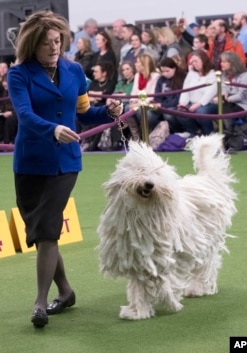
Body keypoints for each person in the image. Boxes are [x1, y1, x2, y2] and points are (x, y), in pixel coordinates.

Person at [7, 10, 123, 328]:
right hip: (29, 163)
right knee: (41, 232)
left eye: (57, 41)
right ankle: (67, 291)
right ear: (32, 45)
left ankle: (40, 304)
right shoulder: (19, 74)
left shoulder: (74, 71)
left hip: (66, 163)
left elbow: (84, 112)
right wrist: (53, 129)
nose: (54, 47)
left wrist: (109, 111)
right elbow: (25, 114)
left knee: (47, 231)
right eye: (46, 44)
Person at [177, 49, 218, 136]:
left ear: (203, 60)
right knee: (180, 113)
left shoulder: (212, 74)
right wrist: (183, 103)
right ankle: (195, 132)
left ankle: (209, 133)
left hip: (208, 104)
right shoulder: (191, 73)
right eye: (192, 62)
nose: (194, 64)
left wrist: (197, 104)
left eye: (196, 61)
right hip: (192, 102)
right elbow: (185, 90)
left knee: (200, 112)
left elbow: (209, 94)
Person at [127, 53, 160, 140]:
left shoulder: (155, 76)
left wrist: (138, 104)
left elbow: (151, 96)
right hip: (139, 104)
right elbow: (134, 92)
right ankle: (136, 137)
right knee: (127, 108)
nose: (135, 64)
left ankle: (146, 136)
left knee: (142, 112)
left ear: (144, 64)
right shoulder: (138, 75)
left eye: (138, 62)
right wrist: (132, 102)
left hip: (151, 107)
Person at [149, 57, 187, 133]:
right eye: (162, 71)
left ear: (174, 68)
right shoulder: (161, 79)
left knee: (168, 114)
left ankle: (178, 131)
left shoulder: (182, 78)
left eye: (167, 71)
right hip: (162, 105)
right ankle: (158, 132)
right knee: (149, 114)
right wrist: (157, 103)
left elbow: (178, 99)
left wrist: (162, 105)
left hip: (174, 105)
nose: (165, 74)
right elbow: (157, 94)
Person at [217, 51, 247, 133]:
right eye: (221, 61)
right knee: (222, 108)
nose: (221, 64)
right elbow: (224, 88)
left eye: (224, 62)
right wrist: (223, 95)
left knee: (229, 111)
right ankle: (228, 131)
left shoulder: (244, 76)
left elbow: (240, 96)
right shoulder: (225, 74)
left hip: (245, 103)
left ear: (232, 63)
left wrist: (225, 99)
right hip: (231, 101)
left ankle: (233, 133)